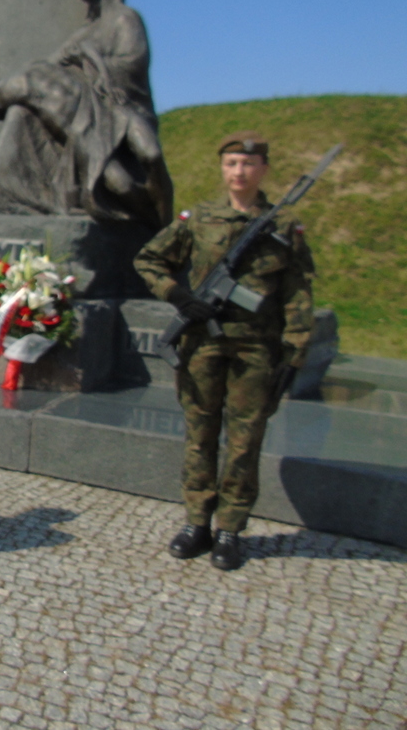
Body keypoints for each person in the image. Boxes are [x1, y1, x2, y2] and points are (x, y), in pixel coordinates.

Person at [134, 132, 315, 570]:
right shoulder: (199, 218)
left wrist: (295, 353)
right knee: (199, 436)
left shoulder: (283, 227)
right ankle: (196, 522)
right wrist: (179, 296)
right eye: (232, 163)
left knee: (244, 441)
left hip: (256, 348)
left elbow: (297, 294)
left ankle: (230, 528)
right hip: (203, 345)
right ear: (222, 168)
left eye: (249, 164)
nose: (240, 172)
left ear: (264, 170)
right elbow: (148, 260)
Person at [0, 0, 173, 228]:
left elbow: (133, 64)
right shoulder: (79, 37)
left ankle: (161, 222)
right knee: (116, 180)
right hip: (78, 114)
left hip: (112, 105)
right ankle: (152, 225)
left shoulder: (125, 19)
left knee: (148, 157)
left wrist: (92, 65)